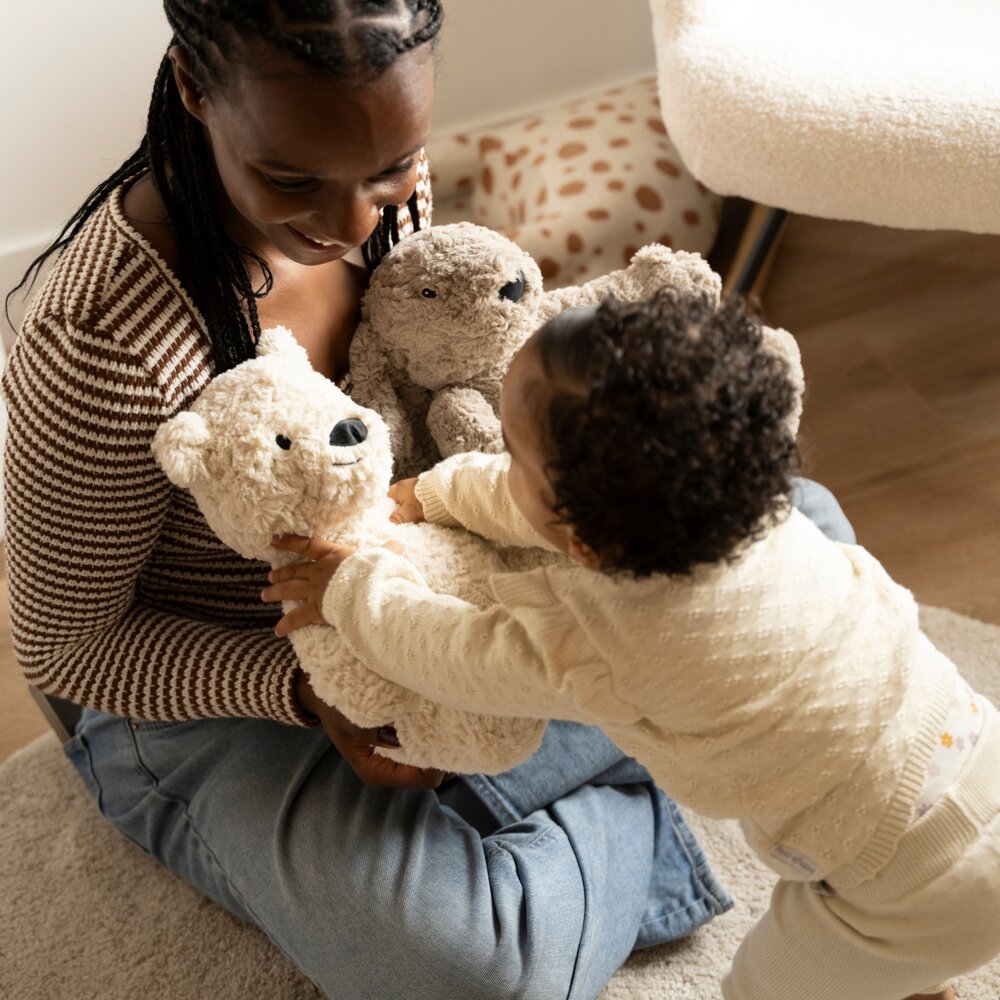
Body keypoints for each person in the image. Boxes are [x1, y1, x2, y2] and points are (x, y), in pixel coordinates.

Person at [3, 3, 769, 997]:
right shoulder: (100, 340)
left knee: (781, 537)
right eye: (291, 181)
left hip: (410, 579)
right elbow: (67, 651)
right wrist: (308, 693)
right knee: (466, 972)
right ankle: (643, 765)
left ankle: (589, 751)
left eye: (392, 167)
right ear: (194, 88)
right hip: (214, 682)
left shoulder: (385, 205)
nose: (353, 222)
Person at [264, 291, 1000, 1000]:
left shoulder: (607, 640)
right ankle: (909, 979)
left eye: (512, 456)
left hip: (905, 884)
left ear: (584, 537)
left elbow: (452, 651)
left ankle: (907, 970)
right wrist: (439, 493)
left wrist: (350, 588)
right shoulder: (759, 511)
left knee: (764, 989)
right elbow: (539, 507)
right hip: (976, 754)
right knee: (892, 957)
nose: (502, 466)